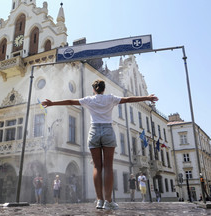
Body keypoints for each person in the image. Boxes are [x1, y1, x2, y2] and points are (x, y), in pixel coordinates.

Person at [42, 79, 158, 210]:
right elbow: (128, 99)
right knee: (108, 166)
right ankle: (109, 201)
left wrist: (52, 103)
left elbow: (70, 101)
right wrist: (147, 97)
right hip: (108, 130)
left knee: (97, 166)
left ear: (94, 89)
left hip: (94, 131)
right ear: (104, 89)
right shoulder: (110, 98)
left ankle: (99, 201)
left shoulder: (89, 100)